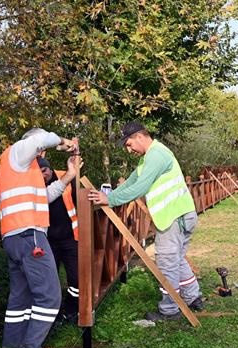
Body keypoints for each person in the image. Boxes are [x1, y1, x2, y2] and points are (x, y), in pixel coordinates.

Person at [87, 122, 203, 321]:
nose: (129, 149)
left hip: (173, 218)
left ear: (140, 137)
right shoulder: (149, 158)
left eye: (129, 144)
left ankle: (170, 310)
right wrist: (111, 195)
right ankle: (193, 297)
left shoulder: (156, 155)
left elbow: (140, 187)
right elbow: (131, 182)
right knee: (177, 259)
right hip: (182, 215)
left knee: (167, 263)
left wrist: (110, 200)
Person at [0, 128, 81, 348]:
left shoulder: (22, 168)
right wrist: (64, 142)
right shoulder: (18, 152)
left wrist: (68, 176)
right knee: (50, 296)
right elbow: (42, 139)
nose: (43, 151)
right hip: (29, 235)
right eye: (41, 147)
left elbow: (44, 197)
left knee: (20, 301)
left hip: (15, 238)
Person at [37, 156, 81, 323]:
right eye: (39, 172)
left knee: (76, 279)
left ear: (50, 168)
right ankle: (52, 317)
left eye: (45, 171)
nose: (43, 175)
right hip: (48, 242)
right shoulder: (33, 184)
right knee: (49, 280)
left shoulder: (66, 176)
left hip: (71, 238)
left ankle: (71, 311)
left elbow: (80, 199)